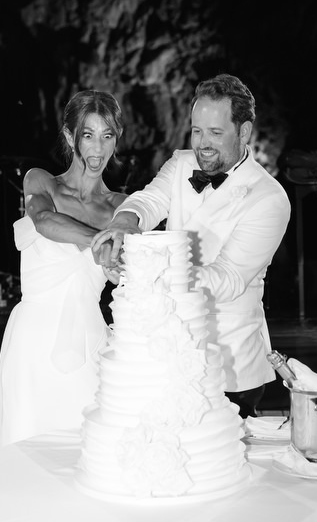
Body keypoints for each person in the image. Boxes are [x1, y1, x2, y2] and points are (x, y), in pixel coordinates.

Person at [92, 73, 291, 418]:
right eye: (197, 131)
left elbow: (227, 278)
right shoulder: (183, 163)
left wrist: (146, 271)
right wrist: (125, 224)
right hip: (170, 346)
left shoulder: (269, 198)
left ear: (244, 132)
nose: (203, 143)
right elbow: (150, 200)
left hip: (230, 361)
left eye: (216, 132)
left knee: (217, 460)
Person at [0, 89, 126, 449]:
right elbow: (46, 221)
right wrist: (101, 240)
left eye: (107, 136)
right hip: (33, 341)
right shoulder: (41, 181)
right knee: (27, 453)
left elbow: (133, 267)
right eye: (88, 135)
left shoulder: (122, 207)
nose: (97, 148)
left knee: (90, 450)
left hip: (89, 341)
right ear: (70, 137)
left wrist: (124, 265)